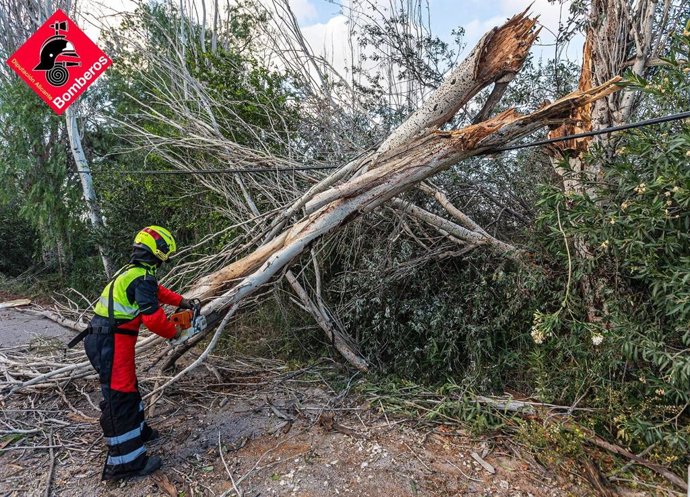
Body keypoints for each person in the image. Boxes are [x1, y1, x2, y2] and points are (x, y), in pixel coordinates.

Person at [81, 226, 193, 481]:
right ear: (158, 252)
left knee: (128, 388)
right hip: (110, 342)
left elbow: (158, 292)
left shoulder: (136, 273)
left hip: (109, 340)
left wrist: (183, 302)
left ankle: (138, 430)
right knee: (119, 396)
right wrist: (174, 333)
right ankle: (125, 463)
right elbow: (153, 319)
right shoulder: (141, 277)